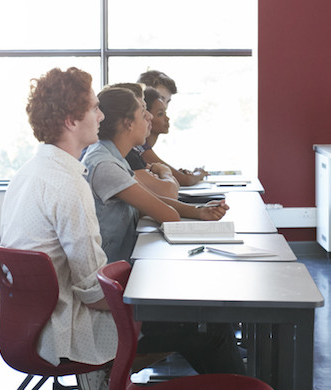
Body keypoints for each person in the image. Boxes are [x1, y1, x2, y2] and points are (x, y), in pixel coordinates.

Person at [1, 70, 329, 390]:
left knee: (195, 320)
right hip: (69, 331)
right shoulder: (68, 183)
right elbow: (93, 292)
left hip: (35, 327)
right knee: (206, 329)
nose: (101, 117)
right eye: (93, 109)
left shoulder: (31, 171)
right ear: (71, 120)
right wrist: (150, 299)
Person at [82, 85, 227, 264]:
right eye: (143, 114)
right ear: (129, 123)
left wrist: (199, 211)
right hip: (109, 270)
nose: (149, 117)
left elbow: (151, 198)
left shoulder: (111, 155)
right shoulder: (105, 165)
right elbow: (169, 215)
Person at [135, 71, 206, 186]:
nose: (163, 105)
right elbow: (182, 182)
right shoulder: (136, 148)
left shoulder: (143, 146)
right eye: (159, 98)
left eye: (167, 101)